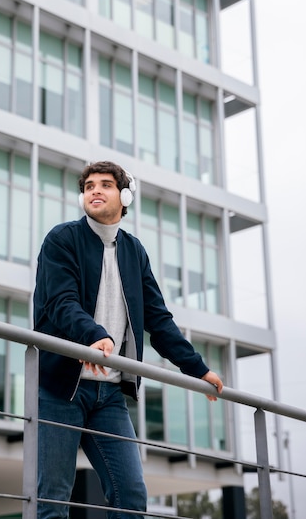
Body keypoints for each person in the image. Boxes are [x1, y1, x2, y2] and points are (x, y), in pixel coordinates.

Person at [33, 160, 223, 519]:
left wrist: (197, 369)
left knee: (131, 495)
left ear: (124, 195)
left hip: (109, 394)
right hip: (61, 388)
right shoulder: (62, 239)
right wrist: (95, 335)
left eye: (105, 185)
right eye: (88, 186)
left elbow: (158, 319)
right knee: (54, 499)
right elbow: (61, 302)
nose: (95, 191)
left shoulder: (134, 251)